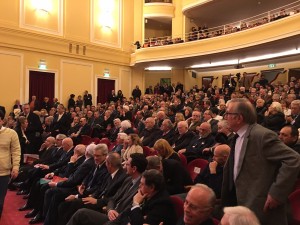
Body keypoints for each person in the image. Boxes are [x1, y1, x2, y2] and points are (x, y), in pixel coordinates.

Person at [222, 98, 300, 225]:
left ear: (239, 118)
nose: (225, 117)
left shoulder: (262, 135)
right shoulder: (237, 136)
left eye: (228, 113)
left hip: (259, 206)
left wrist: (277, 193)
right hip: (239, 201)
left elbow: (293, 159)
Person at [66, 153, 148, 225]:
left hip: (118, 218)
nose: (124, 165)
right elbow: (113, 198)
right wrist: (110, 209)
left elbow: (132, 208)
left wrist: (114, 213)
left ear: (134, 169)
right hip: (111, 211)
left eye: (127, 164)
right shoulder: (128, 179)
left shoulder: (142, 187)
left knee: (81, 213)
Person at [0, 110, 21, 217]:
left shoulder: (11, 133)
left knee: (0, 202)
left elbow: (16, 151)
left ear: (2, 120)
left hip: (3, 173)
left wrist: (16, 167)